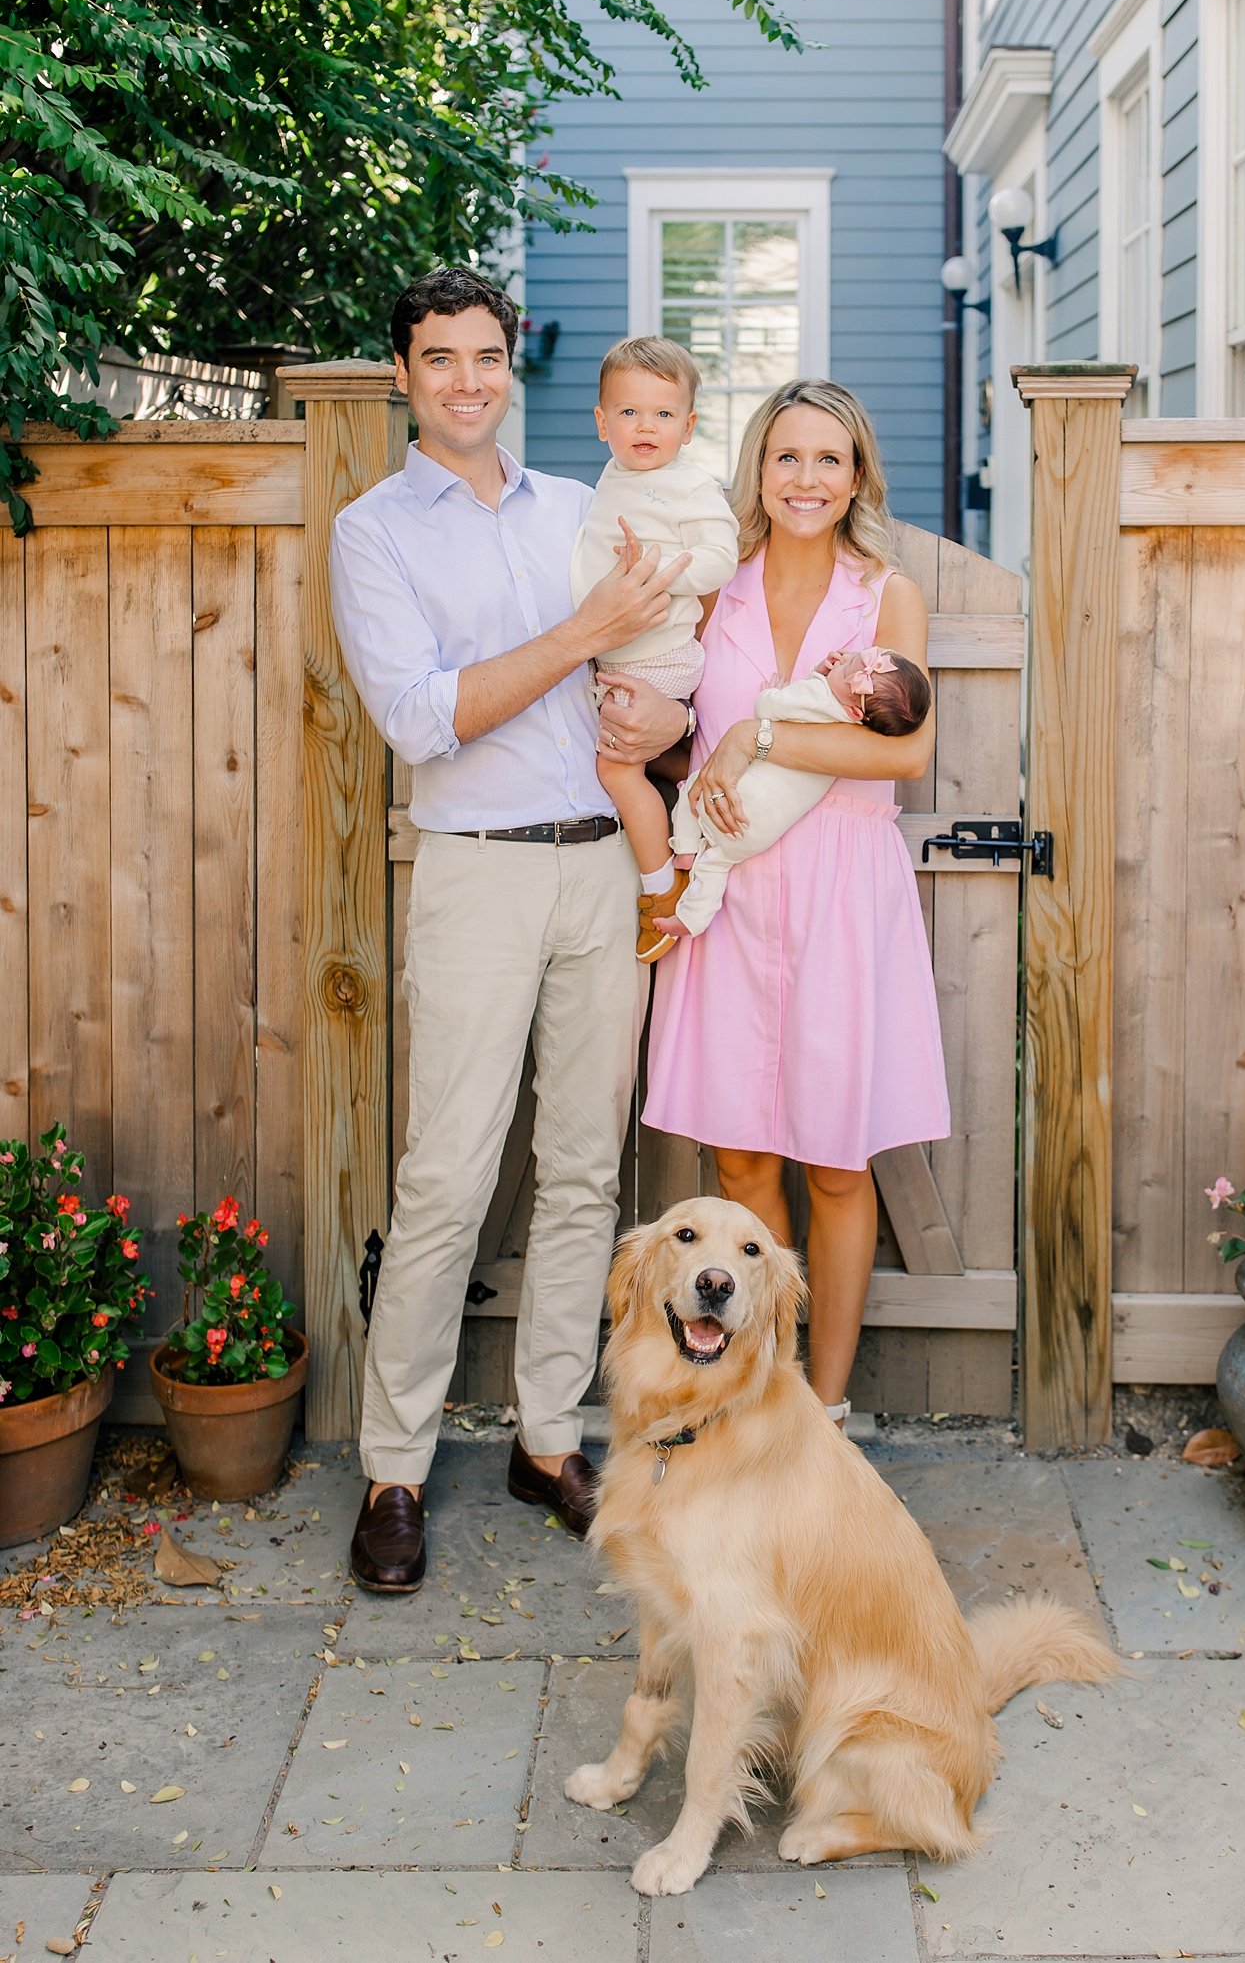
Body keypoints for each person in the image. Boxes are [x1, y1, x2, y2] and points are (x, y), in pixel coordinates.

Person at [328, 266, 693, 1594]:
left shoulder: (582, 510)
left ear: (506, 366)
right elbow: (423, 718)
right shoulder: (372, 533)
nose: (469, 380)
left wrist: (664, 720)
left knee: (588, 1169)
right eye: (441, 360)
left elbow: (651, 659)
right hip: (476, 873)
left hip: (605, 865)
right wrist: (583, 630)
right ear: (405, 374)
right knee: (447, 1176)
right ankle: (395, 1465)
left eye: (487, 357)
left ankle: (549, 1440)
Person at [643, 377, 950, 1424]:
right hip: (729, 893)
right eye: (786, 458)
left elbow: (904, 745)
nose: (806, 479)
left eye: (828, 459)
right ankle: (752, 1396)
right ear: (758, 473)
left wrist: (759, 734)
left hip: (842, 895)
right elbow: (673, 725)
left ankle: (821, 1412)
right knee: (738, 1155)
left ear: (856, 473)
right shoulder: (714, 588)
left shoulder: (885, 593)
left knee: (834, 1158)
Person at [569, 336, 739, 961]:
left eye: (664, 415)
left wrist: (656, 569)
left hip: (656, 656)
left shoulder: (692, 487)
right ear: (602, 422)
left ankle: (660, 890)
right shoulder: (612, 477)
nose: (647, 426)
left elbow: (721, 559)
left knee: (616, 769)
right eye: (630, 412)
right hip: (614, 651)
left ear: (689, 426)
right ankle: (685, 847)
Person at [655, 646, 931, 950]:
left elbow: (769, 710)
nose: (839, 661)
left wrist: (774, 692)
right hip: (760, 831)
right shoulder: (854, 730)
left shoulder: (819, 696)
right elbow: (821, 712)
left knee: (693, 787)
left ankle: (684, 847)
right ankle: (692, 919)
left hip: (741, 800)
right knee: (718, 863)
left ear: (855, 710)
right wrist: (829, 674)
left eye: (846, 666)